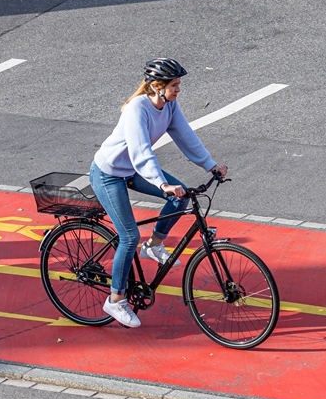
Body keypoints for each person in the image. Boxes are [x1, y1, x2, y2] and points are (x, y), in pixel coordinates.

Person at [89, 58, 228, 328]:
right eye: (174, 85)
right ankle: (115, 300)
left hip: (132, 170)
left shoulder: (169, 105)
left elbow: (186, 136)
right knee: (129, 237)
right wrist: (161, 183)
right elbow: (140, 151)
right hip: (109, 173)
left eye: (178, 84)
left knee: (183, 196)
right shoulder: (136, 109)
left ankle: (153, 245)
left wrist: (210, 165)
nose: (178, 90)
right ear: (156, 86)